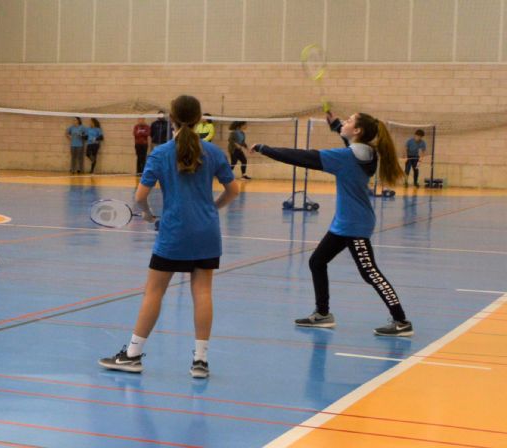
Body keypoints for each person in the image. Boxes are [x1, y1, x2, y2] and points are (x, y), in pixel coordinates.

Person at [99, 95, 240, 378]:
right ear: (200, 120)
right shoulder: (213, 152)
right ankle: (200, 362)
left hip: (174, 232)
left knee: (154, 291)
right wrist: (213, 209)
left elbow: (140, 197)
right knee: (202, 292)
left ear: (171, 120)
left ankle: (133, 355)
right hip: (207, 232)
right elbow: (233, 190)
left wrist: (149, 216)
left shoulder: (160, 153)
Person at [251, 112, 413, 337]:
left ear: (357, 131)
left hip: (355, 224)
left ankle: (401, 320)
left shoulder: (346, 157)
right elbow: (346, 138)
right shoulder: (364, 151)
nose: (345, 123)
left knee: (370, 272)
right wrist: (336, 124)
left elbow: (303, 157)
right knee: (317, 261)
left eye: (348, 121)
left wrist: (265, 149)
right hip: (344, 222)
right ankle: (323, 314)